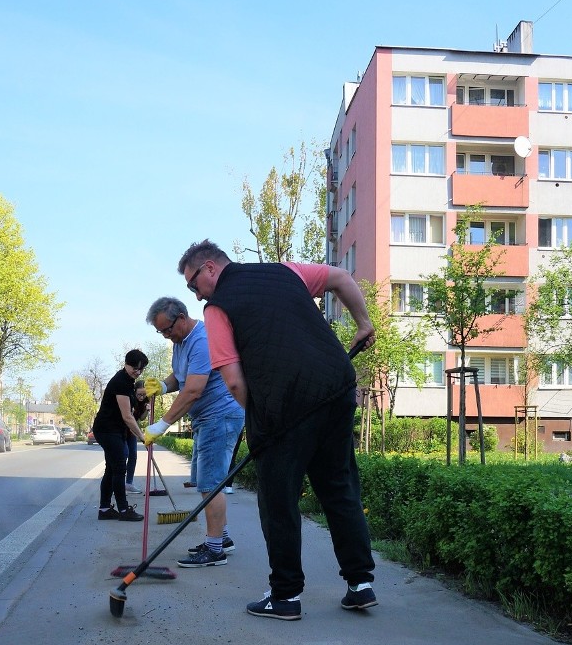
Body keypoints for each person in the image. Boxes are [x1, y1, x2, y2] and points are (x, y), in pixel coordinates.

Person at [176, 239, 377, 620]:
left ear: (211, 269)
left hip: (284, 405)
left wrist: (261, 419)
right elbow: (341, 277)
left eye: (193, 283)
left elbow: (233, 381)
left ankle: (285, 597)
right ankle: (360, 585)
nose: (194, 292)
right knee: (339, 487)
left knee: (278, 499)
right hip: (336, 388)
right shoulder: (287, 271)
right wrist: (363, 323)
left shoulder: (216, 309)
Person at [142, 297, 245, 568]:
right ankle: (221, 539)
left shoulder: (201, 340)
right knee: (204, 481)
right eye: (160, 332)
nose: (166, 335)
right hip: (206, 418)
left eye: (167, 329)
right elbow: (181, 377)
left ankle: (214, 551)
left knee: (212, 484)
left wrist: (162, 424)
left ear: (182, 317)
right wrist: (163, 387)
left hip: (219, 416)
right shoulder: (181, 343)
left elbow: (194, 389)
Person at [90, 349, 149, 522]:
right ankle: (124, 510)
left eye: (141, 369)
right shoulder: (121, 382)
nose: (137, 372)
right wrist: (142, 436)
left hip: (113, 430)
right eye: (134, 368)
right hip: (107, 430)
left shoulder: (128, 380)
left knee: (111, 468)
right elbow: (127, 416)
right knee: (119, 468)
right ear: (126, 363)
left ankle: (105, 509)